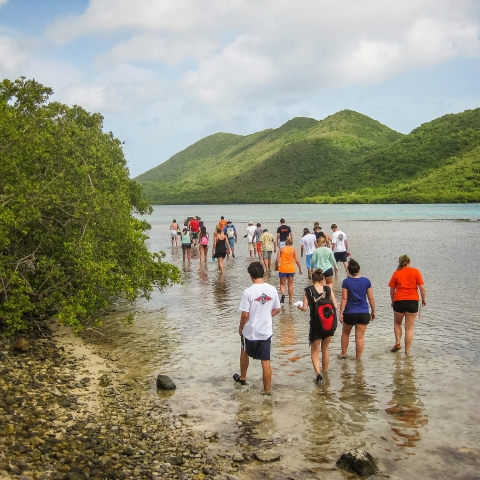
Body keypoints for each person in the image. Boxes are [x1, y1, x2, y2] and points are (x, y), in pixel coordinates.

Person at [233, 262, 281, 394]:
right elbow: (277, 309)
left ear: (250, 276)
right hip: (265, 331)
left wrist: (240, 327)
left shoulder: (248, 292)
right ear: (262, 273)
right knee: (265, 361)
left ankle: (243, 377)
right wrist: (266, 316)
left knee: (244, 351)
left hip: (251, 331)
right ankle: (267, 391)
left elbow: (245, 314)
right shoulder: (272, 289)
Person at [297, 269, 338, 383]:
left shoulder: (307, 291)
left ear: (312, 279)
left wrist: (300, 307)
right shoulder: (328, 289)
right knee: (325, 349)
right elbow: (335, 306)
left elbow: (305, 308)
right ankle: (325, 372)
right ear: (322, 280)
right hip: (329, 324)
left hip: (316, 324)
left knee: (315, 351)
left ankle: (318, 375)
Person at [388, 255, 426, 354]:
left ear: (399, 262)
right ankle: (407, 351)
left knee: (397, 323)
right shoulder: (416, 271)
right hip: (412, 301)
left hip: (399, 301)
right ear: (409, 262)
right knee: (409, 328)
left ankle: (397, 343)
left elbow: (392, 290)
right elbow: (422, 288)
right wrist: (423, 300)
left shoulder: (396, 273)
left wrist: (392, 301)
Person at [339, 259, 376, 360]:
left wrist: (341, 312)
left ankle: (343, 354)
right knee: (359, 337)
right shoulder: (366, 281)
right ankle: (358, 359)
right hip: (363, 312)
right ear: (359, 270)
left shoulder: (346, 282)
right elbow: (371, 298)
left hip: (350, 312)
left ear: (349, 271)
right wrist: (373, 311)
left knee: (345, 333)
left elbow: (344, 298)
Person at [276, 237, 302, 304]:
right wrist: (300, 269)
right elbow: (297, 260)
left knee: (282, 284)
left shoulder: (281, 249)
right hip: (291, 269)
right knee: (290, 285)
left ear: (285, 243)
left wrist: (276, 266)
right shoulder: (293, 250)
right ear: (292, 243)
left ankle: (282, 295)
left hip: (282, 268)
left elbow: (277, 260)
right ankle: (290, 301)